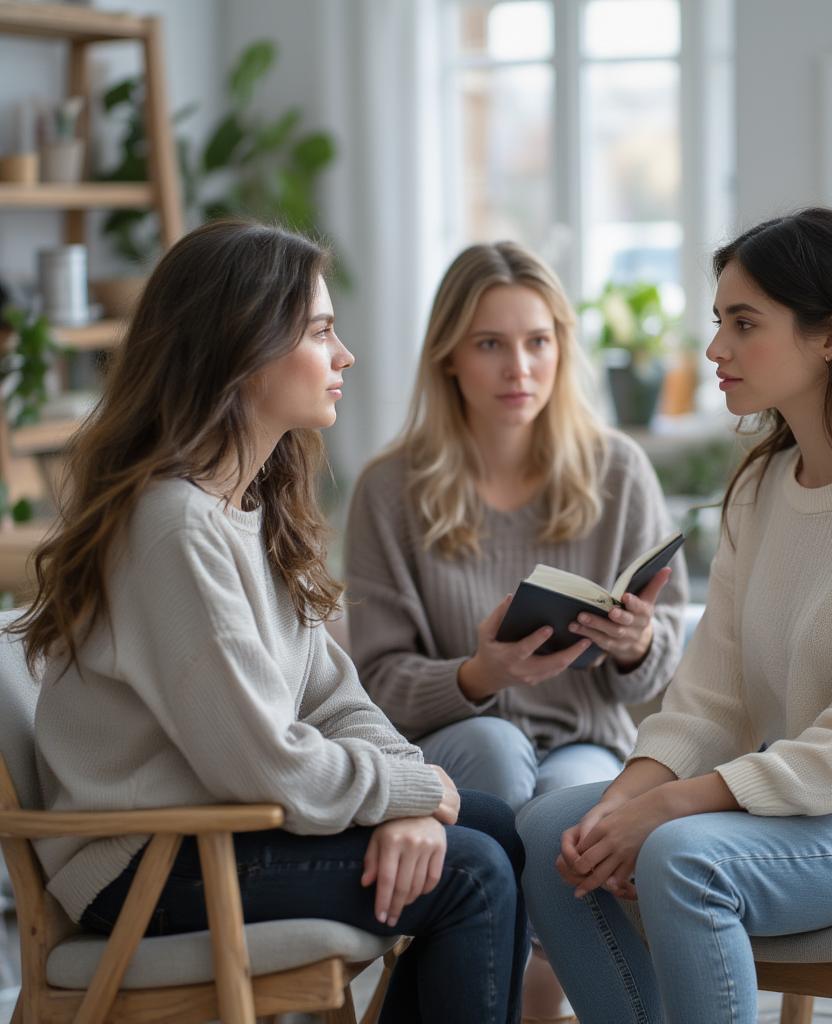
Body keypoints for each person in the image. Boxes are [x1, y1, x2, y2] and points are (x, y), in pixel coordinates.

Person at [13, 221, 529, 1024]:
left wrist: (411, 799)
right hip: (146, 864)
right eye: (321, 331)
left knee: (498, 829)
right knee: (472, 870)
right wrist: (413, 790)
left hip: (214, 837)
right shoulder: (174, 528)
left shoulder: (241, 511)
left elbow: (335, 698)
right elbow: (267, 764)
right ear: (242, 350)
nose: (345, 355)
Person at [516, 207, 832, 1024]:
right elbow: (711, 699)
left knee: (682, 856)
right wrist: (623, 802)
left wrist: (667, 807)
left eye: (744, 324)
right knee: (550, 830)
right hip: (789, 798)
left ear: (831, 337)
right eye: (719, 322)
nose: (715, 349)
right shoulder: (759, 487)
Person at [343, 241, 688, 1019]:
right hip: (453, 744)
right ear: (449, 356)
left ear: (563, 348)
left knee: (567, 808)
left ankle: (519, 991)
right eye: (490, 344)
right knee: (500, 753)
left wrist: (634, 644)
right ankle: (507, 988)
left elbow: (666, 665)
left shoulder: (618, 471)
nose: (518, 368)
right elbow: (372, 684)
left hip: (584, 738)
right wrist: (480, 675)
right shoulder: (390, 490)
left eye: (538, 342)